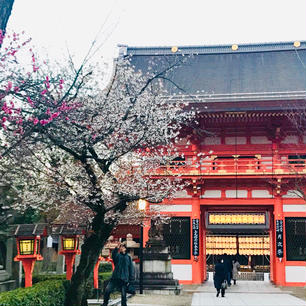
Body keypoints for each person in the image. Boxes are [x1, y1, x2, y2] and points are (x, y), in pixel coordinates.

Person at [102, 241, 135, 306]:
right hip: (115, 277)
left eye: (122, 247)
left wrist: (131, 279)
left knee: (123, 295)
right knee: (107, 290)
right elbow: (113, 256)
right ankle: (105, 303)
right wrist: (116, 248)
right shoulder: (118, 256)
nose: (121, 248)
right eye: (121, 247)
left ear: (125, 248)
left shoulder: (128, 257)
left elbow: (131, 269)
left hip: (124, 278)